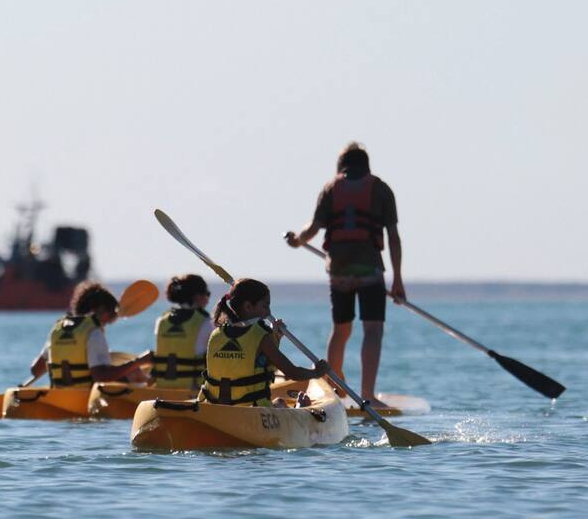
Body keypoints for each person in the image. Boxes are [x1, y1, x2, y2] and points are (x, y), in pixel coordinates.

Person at [286, 142, 403, 406]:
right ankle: (368, 395)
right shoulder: (381, 190)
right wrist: (397, 279)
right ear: (367, 164)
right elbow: (393, 238)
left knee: (341, 330)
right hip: (369, 270)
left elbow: (313, 228)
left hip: (339, 271)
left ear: (341, 166)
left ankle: (333, 389)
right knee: (372, 330)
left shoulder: (330, 189)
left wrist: (297, 241)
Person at [199, 278, 328, 407]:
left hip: (216, 407)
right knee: (281, 403)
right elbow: (291, 372)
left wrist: (275, 336)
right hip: (251, 410)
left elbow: (252, 358)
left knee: (278, 402)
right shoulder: (260, 337)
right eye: (264, 306)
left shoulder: (216, 334)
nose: (268, 312)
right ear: (248, 307)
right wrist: (317, 373)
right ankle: (300, 406)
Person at [30, 281, 150, 386]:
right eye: (110, 314)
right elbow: (101, 376)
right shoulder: (93, 332)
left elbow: (35, 370)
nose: (108, 322)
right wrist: (138, 362)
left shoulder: (57, 330)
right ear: (101, 311)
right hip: (83, 396)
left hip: (60, 394)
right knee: (135, 373)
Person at [151, 274, 213, 391]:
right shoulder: (205, 322)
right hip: (194, 390)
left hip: (163, 389)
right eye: (207, 293)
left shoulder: (161, 321)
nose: (208, 298)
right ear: (197, 296)